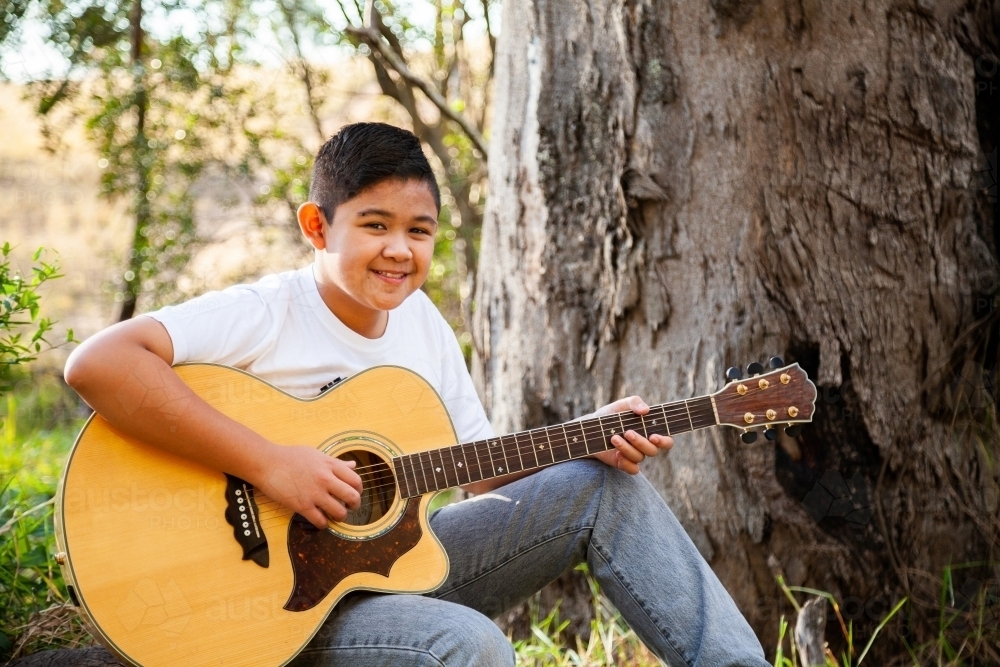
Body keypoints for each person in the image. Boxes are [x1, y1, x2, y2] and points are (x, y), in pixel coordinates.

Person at [64, 122, 770, 667]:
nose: (399, 250)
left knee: (601, 489)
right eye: (375, 225)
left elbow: (481, 471)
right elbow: (100, 363)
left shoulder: (422, 323)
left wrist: (590, 432)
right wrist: (271, 463)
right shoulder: (269, 310)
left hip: (388, 569)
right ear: (318, 226)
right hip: (276, 607)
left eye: (419, 231)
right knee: (471, 646)